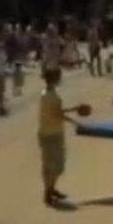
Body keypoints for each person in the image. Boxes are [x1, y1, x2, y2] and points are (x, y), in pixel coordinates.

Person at [37, 66, 84, 206]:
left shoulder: (47, 93)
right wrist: (75, 122)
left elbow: (56, 111)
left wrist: (73, 109)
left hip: (48, 132)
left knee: (51, 165)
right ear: (55, 79)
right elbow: (58, 114)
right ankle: (48, 191)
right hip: (52, 133)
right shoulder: (51, 96)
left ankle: (50, 189)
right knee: (56, 165)